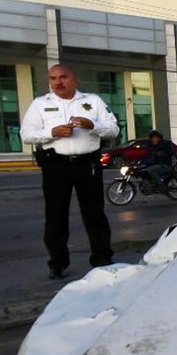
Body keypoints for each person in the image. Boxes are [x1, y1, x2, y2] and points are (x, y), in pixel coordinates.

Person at [20, 64, 120, 279]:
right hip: (56, 164)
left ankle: (102, 259)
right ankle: (57, 262)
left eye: (63, 77)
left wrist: (92, 125)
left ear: (74, 79)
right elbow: (26, 134)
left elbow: (113, 129)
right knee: (56, 215)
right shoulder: (41, 104)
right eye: (53, 78)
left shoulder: (92, 102)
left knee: (94, 213)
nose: (58, 82)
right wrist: (52, 132)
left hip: (87, 163)